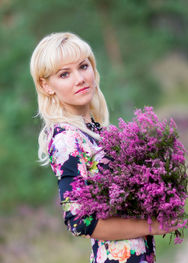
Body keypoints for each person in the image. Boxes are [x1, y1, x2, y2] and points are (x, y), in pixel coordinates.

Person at [30, 32, 175, 263]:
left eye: (83, 66)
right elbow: (78, 221)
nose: (80, 78)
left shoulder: (96, 132)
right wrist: (151, 225)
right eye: (65, 74)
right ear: (46, 85)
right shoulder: (66, 138)